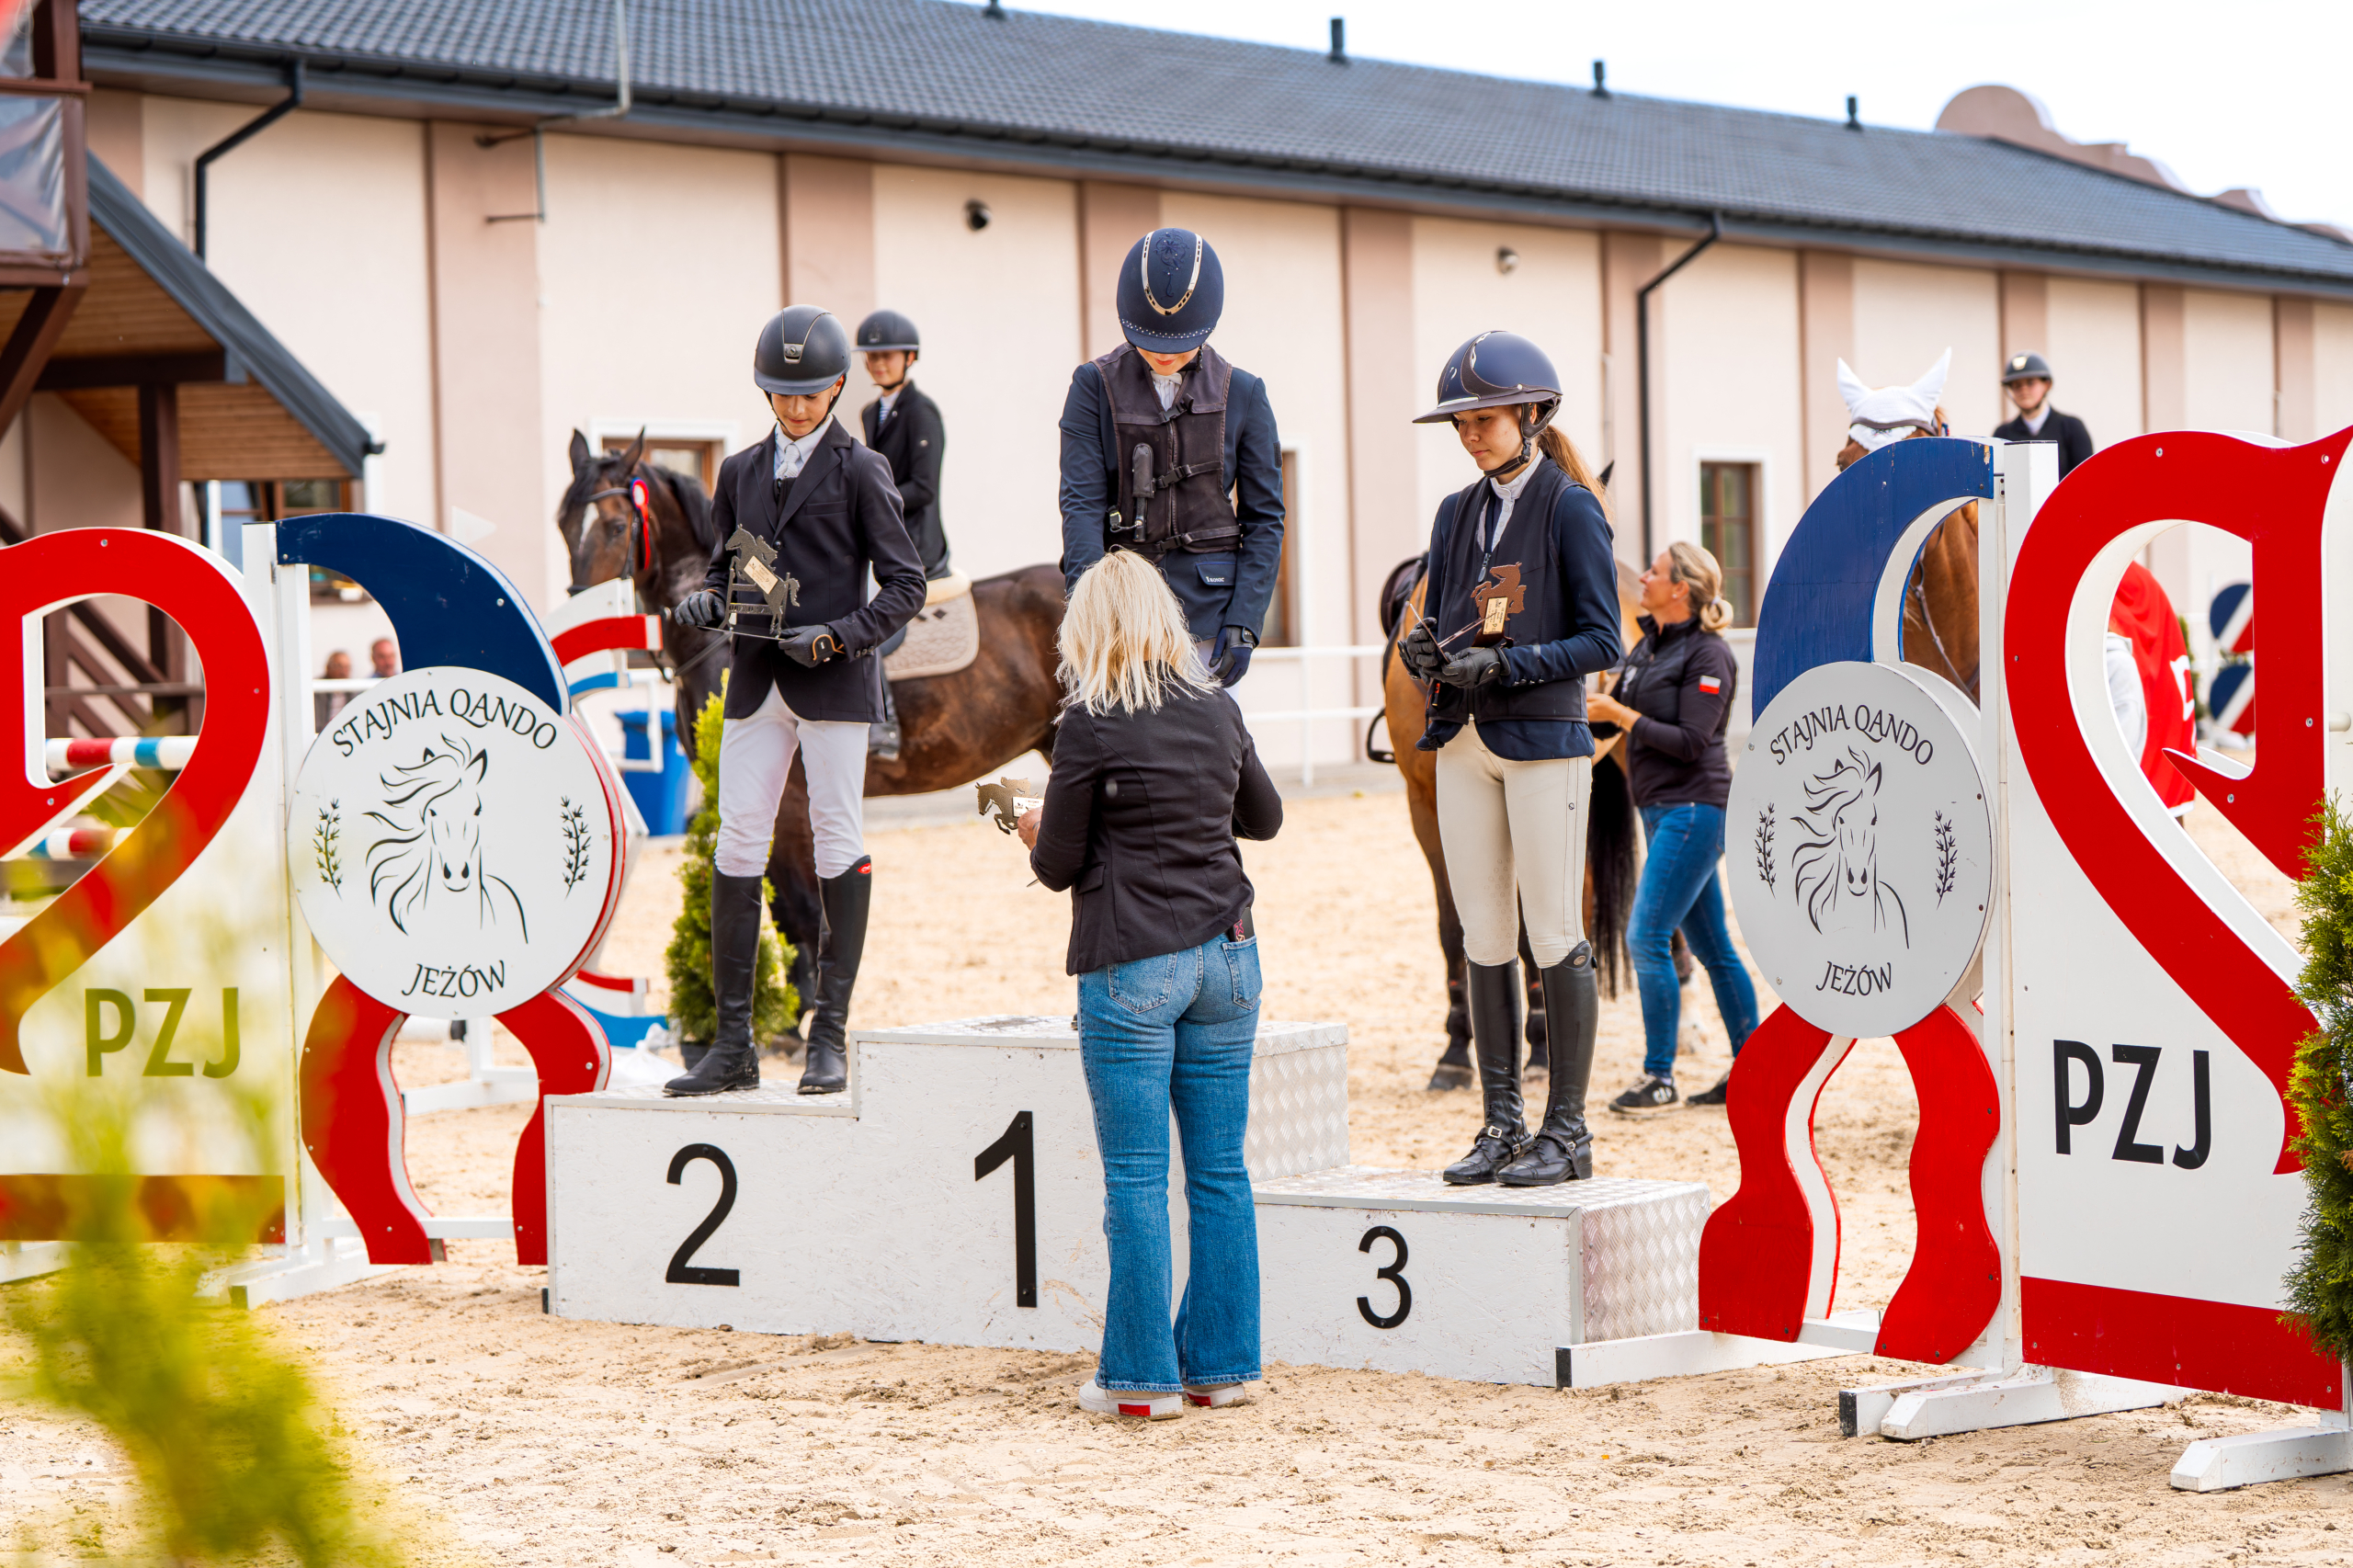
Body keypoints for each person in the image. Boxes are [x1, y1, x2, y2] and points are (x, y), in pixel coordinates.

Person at [1018, 548, 1281, 1420]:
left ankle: (1140, 1380)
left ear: (1088, 628)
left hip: (1134, 959)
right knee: (1220, 1173)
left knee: (1136, 1179)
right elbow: (1265, 818)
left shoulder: (1090, 721)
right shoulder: (1218, 705)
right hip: (1229, 955)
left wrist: (1029, 822)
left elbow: (1057, 865)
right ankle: (1221, 1367)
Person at [669, 305, 926, 1097]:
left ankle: (830, 1038)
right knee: (739, 841)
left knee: (835, 837)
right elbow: (726, 568)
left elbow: (906, 585)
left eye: (810, 394)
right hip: (755, 679)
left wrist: (841, 637)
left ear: (838, 387)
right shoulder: (739, 472)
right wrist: (708, 599)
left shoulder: (861, 469)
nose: (796, 407)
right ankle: (734, 1045)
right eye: (783, 394)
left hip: (832, 679)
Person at [1395, 331, 1622, 1187]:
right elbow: (1452, 614)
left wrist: (1508, 666)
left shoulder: (1570, 507)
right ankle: (1501, 1123)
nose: (1469, 436)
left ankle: (1568, 1131)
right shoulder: (1455, 512)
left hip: (1542, 742)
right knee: (1484, 934)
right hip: (1463, 741)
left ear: (1530, 414)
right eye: (1460, 424)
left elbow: (1602, 639)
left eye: (1482, 421)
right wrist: (1428, 652)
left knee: (1554, 931)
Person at [1057, 227, 1283, 686]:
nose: (1163, 355)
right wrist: (1089, 611)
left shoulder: (1244, 393)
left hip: (1210, 618)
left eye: (1178, 344)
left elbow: (1265, 519)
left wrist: (1245, 620)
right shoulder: (1092, 385)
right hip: (1118, 617)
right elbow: (1080, 504)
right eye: (1151, 343)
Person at [1585, 542, 1760, 1112]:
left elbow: (1690, 741)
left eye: (1654, 572)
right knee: (1714, 947)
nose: (1642, 577)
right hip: (1661, 811)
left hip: (1694, 809)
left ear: (1680, 588)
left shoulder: (1710, 655)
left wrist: (1620, 714)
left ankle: (1659, 1077)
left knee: (1645, 936)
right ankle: (1755, 1071)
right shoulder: (1647, 648)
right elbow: (1611, 722)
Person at [856, 308, 949, 762]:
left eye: (887, 356)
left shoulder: (922, 412)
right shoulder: (870, 413)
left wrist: (869, 502)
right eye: (871, 357)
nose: (878, 364)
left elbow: (923, 488)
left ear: (909, 358)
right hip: (885, 549)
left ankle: (885, 726)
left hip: (918, 552)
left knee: (870, 632)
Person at [1993, 352, 2095, 477]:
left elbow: (2088, 477)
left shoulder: (2071, 427)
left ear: (2047, 385)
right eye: (2017, 385)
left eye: (2030, 382)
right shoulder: (2002, 435)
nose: (2023, 389)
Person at [313, 649, 353, 732]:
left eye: (346, 667)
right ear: (328, 667)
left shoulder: (352, 690)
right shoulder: (318, 689)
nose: (343, 671)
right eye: (339, 666)